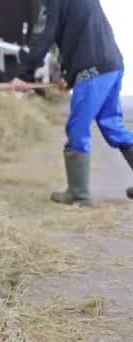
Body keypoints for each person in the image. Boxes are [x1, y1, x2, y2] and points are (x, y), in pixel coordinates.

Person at [11, 0, 133, 207]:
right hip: (112, 64)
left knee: (77, 129)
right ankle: (78, 192)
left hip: (92, 70)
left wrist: (25, 74)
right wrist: (70, 74)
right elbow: (83, 32)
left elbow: (45, 35)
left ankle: (78, 194)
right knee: (113, 125)